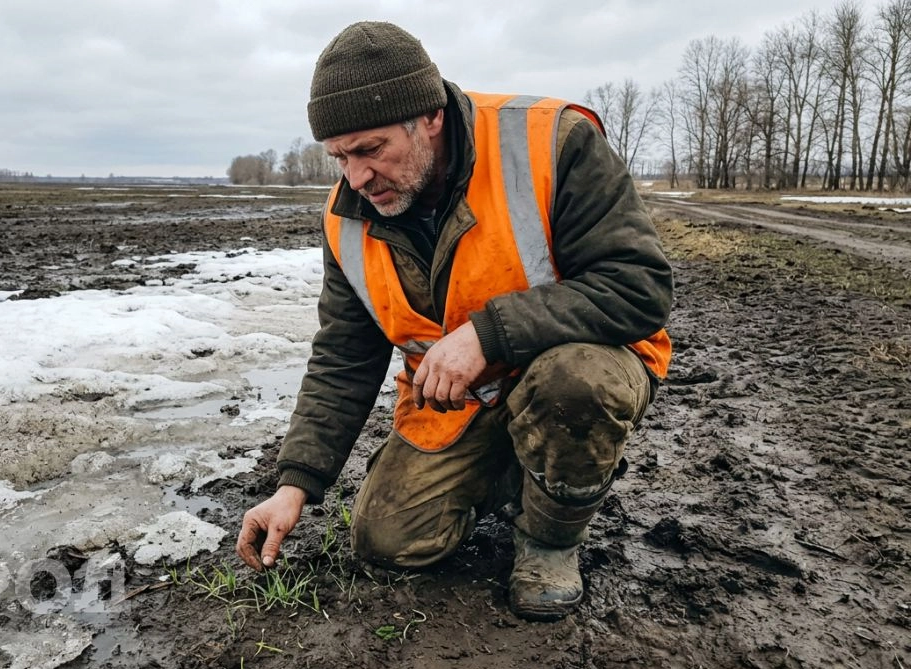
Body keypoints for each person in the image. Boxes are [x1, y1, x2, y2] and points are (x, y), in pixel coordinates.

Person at [235, 20, 672, 621]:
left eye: (370, 150)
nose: (356, 177)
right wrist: (295, 484)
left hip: (575, 372)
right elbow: (344, 356)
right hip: (463, 403)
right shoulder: (347, 217)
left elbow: (639, 287)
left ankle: (550, 539)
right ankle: (516, 469)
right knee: (387, 540)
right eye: (339, 156)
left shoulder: (553, 143)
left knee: (576, 383)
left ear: (430, 117)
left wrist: (487, 335)